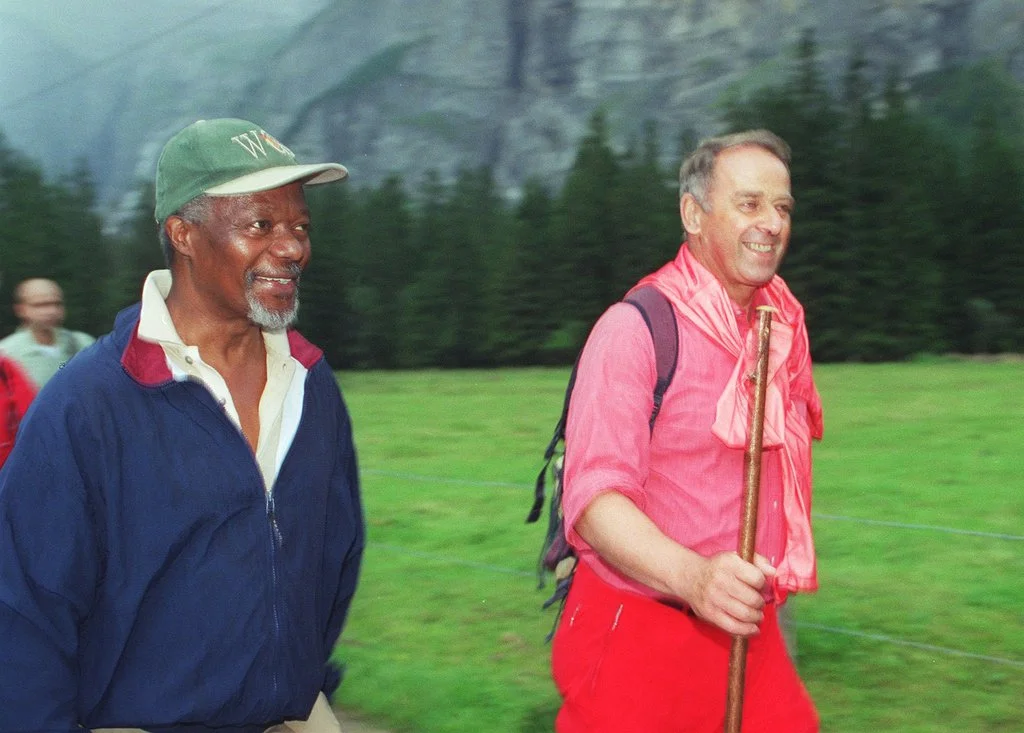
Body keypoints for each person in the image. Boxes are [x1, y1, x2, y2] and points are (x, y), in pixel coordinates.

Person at [0, 118, 365, 732]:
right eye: (261, 225)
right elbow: (24, 616)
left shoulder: (311, 384)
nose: (294, 247)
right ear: (184, 234)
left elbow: (334, 561)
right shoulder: (88, 403)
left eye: (300, 226)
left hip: (290, 715)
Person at [551, 129, 823, 732]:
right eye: (749, 203)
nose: (772, 223)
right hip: (638, 630)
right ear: (693, 214)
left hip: (749, 631)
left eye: (782, 208)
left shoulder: (780, 330)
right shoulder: (635, 330)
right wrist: (696, 578)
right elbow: (594, 501)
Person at [0, 277, 95, 388]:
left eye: (57, 304)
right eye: (40, 305)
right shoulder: (7, 353)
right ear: (21, 310)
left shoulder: (83, 343)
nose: (51, 311)